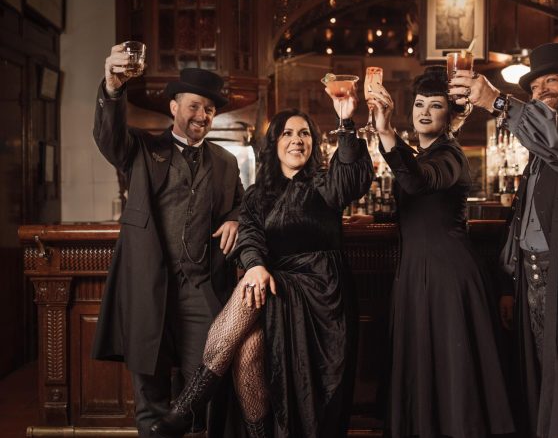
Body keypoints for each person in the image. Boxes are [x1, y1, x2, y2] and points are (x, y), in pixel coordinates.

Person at [150, 86, 374, 437]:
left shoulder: (325, 183)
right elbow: (250, 236)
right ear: (274, 143)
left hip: (322, 293)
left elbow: (353, 179)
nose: (296, 140)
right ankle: (243, 428)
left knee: (247, 294)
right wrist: (254, 265)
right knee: (247, 349)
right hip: (275, 289)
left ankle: (187, 406)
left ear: (314, 143)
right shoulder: (257, 194)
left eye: (304, 134)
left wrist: (345, 121)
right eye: (287, 133)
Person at [91, 43, 244, 437]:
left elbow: (243, 207)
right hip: (147, 287)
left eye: (209, 109)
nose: (202, 115)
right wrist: (113, 87)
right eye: (194, 106)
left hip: (200, 286)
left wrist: (236, 219)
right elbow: (109, 137)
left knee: (202, 390)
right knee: (151, 396)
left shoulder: (226, 163)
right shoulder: (142, 148)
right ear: (174, 106)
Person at [452, 42, 558, 437]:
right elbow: (522, 218)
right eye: (534, 86)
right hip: (530, 280)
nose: (541, 90)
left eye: (551, 80)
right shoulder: (537, 144)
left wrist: (497, 101)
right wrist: (508, 284)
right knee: (540, 374)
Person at [369, 66, 515, 437]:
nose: (424, 112)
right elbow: (412, 188)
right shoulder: (422, 153)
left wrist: (385, 131)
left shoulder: (449, 154)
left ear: (449, 116)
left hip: (447, 278)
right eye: (419, 104)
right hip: (420, 273)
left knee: (452, 377)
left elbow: (419, 182)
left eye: (435, 106)